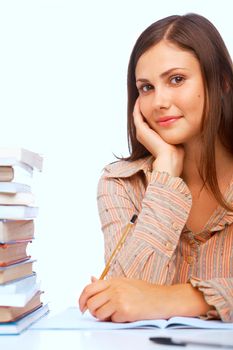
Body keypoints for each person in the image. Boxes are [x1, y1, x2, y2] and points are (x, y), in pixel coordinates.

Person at [79, 13, 233, 323]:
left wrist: (176, 297)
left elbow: (138, 295)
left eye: (176, 79)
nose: (159, 101)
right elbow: (123, 298)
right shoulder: (120, 184)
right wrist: (164, 178)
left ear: (223, 83)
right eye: (146, 88)